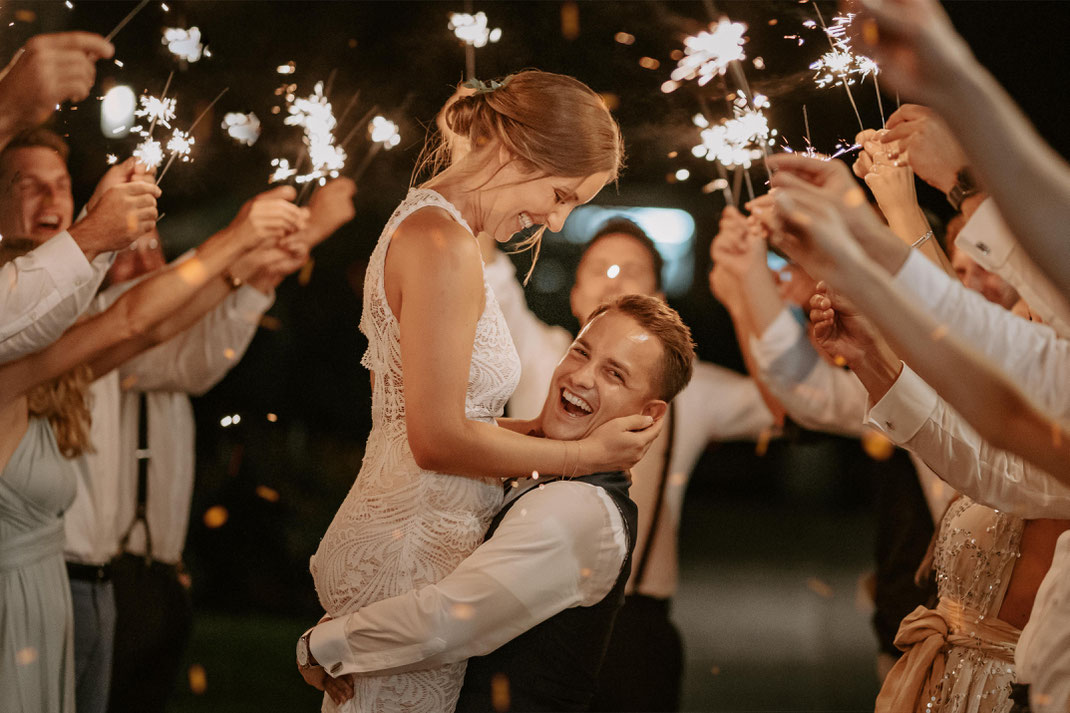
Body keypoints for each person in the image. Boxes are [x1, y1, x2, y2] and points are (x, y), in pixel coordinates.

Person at [308, 71, 663, 713]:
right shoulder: (440, 242)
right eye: (560, 195)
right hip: (408, 551)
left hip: (416, 537)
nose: (555, 222)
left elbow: (454, 421)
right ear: (519, 152)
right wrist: (581, 461)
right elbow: (437, 437)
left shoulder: (446, 235)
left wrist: (535, 433)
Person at [298, 294, 695, 713]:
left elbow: (450, 619)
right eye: (581, 352)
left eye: (614, 374)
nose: (581, 377)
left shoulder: (580, 510)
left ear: (649, 415)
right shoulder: (555, 471)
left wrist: (325, 643)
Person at [0, 183, 301, 712]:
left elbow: (150, 332)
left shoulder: (44, 384)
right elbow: (127, 318)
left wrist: (248, 266)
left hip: (52, 606)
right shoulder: (11, 380)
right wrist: (233, 237)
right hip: (12, 606)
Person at [482, 217, 774, 711]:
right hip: (524, 613)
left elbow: (785, 402)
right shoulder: (538, 356)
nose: (614, 278)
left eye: (631, 271)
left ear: (659, 301)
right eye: (599, 269)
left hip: (636, 627)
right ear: (576, 296)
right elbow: (490, 272)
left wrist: (747, 299)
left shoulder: (693, 390)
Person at [105, 179, 356, 713]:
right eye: (128, 251)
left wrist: (266, 273)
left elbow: (202, 356)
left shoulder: (163, 339)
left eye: (153, 246)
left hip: (160, 576)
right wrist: (260, 247)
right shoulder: (92, 332)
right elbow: (148, 334)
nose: (147, 259)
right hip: (101, 577)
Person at [0, 129, 158, 363]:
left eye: (62, 186)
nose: (51, 198)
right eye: (29, 186)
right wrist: (95, 230)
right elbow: (32, 319)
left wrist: (99, 211)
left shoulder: (86, 295)